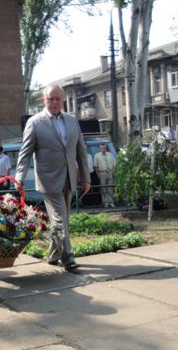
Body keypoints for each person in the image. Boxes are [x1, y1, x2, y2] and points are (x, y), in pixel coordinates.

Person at [15, 84, 90, 272]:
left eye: (57, 99)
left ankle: (52, 255)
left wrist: (86, 178)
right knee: (58, 219)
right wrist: (19, 178)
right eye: (50, 99)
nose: (54, 102)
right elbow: (25, 153)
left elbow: (81, 150)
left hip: (69, 178)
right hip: (48, 180)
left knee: (63, 219)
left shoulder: (72, 121)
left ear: (63, 100)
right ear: (44, 100)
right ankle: (68, 258)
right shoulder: (35, 122)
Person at [94, 143, 117, 207]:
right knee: (103, 188)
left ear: (106, 148)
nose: (103, 149)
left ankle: (111, 202)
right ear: (99, 149)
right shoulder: (97, 156)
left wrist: (114, 172)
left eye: (104, 148)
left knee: (110, 188)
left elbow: (114, 164)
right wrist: (98, 174)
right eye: (102, 148)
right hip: (102, 173)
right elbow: (96, 166)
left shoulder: (110, 155)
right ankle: (105, 202)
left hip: (110, 172)